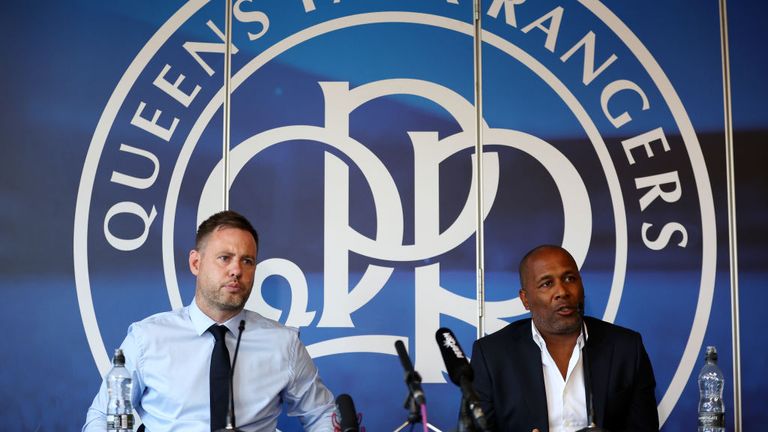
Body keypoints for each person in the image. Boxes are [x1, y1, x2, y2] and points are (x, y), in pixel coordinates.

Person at [83, 210, 335, 431]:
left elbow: (323, 414)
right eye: (224, 258)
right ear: (196, 262)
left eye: (247, 261)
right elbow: (102, 416)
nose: (236, 270)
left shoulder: (283, 343)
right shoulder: (147, 338)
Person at [470, 245, 658, 432]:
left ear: (582, 286)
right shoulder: (493, 355)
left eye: (570, 279)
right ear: (525, 299)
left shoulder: (625, 348)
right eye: (547, 284)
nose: (562, 291)